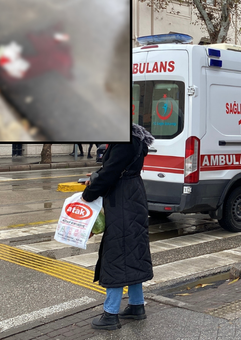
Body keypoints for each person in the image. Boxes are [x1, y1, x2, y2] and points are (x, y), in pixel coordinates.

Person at [82, 124, 154, 330]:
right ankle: (136, 306)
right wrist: (96, 174)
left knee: (116, 254)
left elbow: (111, 173)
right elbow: (115, 168)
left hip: (122, 201)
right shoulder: (133, 139)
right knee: (132, 252)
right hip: (132, 198)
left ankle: (110, 314)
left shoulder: (126, 141)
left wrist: (89, 194)